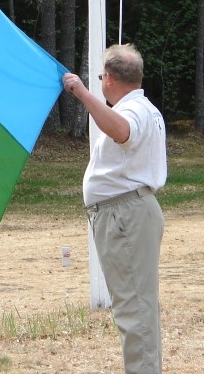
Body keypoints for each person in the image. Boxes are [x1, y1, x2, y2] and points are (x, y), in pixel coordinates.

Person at [62, 43, 167, 374]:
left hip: (125, 216)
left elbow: (122, 132)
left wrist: (81, 93)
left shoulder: (132, 111)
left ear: (108, 78)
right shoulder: (141, 107)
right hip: (126, 213)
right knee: (135, 306)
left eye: (99, 78)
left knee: (134, 309)